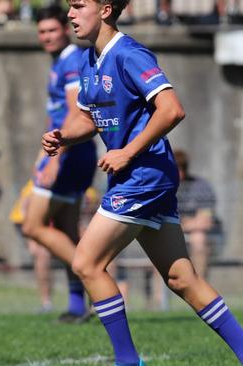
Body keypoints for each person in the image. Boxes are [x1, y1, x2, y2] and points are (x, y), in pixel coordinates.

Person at [43, 0, 243, 364]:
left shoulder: (130, 54)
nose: (70, 14)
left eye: (78, 5)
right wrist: (65, 136)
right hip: (140, 175)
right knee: (182, 278)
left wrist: (128, 152)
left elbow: (172, 109)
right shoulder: (91, 59)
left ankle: (128, 361)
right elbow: (91, 119)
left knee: (86, 263)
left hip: (143, 175)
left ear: (105, 10)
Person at [20, 5, 97, 323]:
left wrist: (55, 158)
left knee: (33, 225)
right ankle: (78, 306)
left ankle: (96, 282)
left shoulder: (70, 61)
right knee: (66, 230)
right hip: (76, 152)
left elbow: (74, 112)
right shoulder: (61, 62)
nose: (47, 37)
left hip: (69, 154)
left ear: (65, 30)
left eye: (52, 30)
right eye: (42, 32)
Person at [175, 149, 222, 280]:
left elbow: (205, 221)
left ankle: (199, 284)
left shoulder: (201, 186)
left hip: (196, 235)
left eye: (182, 168)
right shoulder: (161, 187)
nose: (179, 172)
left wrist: (182, 223)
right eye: (175, 168)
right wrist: (188, 223)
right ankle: (159, 298)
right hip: (171, 233)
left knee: (199, 238)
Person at [9, 181, 54, 313]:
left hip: (57, 229)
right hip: (32, 226)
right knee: (41, 253)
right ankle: (46, 303)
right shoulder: (37, 185)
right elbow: (23, 217)